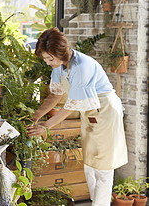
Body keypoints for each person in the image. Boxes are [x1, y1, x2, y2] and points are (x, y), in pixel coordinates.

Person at [27, 27, 127, 206]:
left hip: (105, 111)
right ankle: (96, 202)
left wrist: (45, 126)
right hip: (89, 112)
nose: (48, 62)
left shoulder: (81, 67)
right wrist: (36, 116)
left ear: (61, 52)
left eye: (50, 58)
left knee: (103, 168)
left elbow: (68, 107)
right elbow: (55, 95)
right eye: (45, 59)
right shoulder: (59, 65)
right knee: (89, 164)